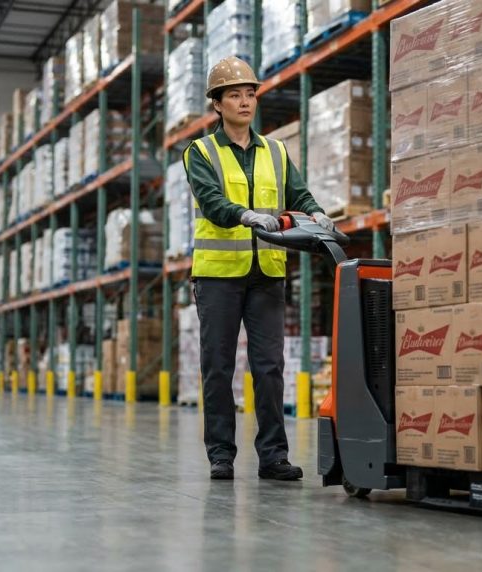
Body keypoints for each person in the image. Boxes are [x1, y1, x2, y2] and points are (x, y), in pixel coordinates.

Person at [183, 56, 333, 481]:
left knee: (269, 367)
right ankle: (221, 455)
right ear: (217, 104)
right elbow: (212, 203)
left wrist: (317, 213)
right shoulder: (200, 152)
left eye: (250, 94)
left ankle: (273, 457)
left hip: (266, 272)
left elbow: (298, 194)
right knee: (219, 366)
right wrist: (245, 215)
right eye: (235, 95)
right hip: (217, 276)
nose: (245, 102)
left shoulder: (277, 151)